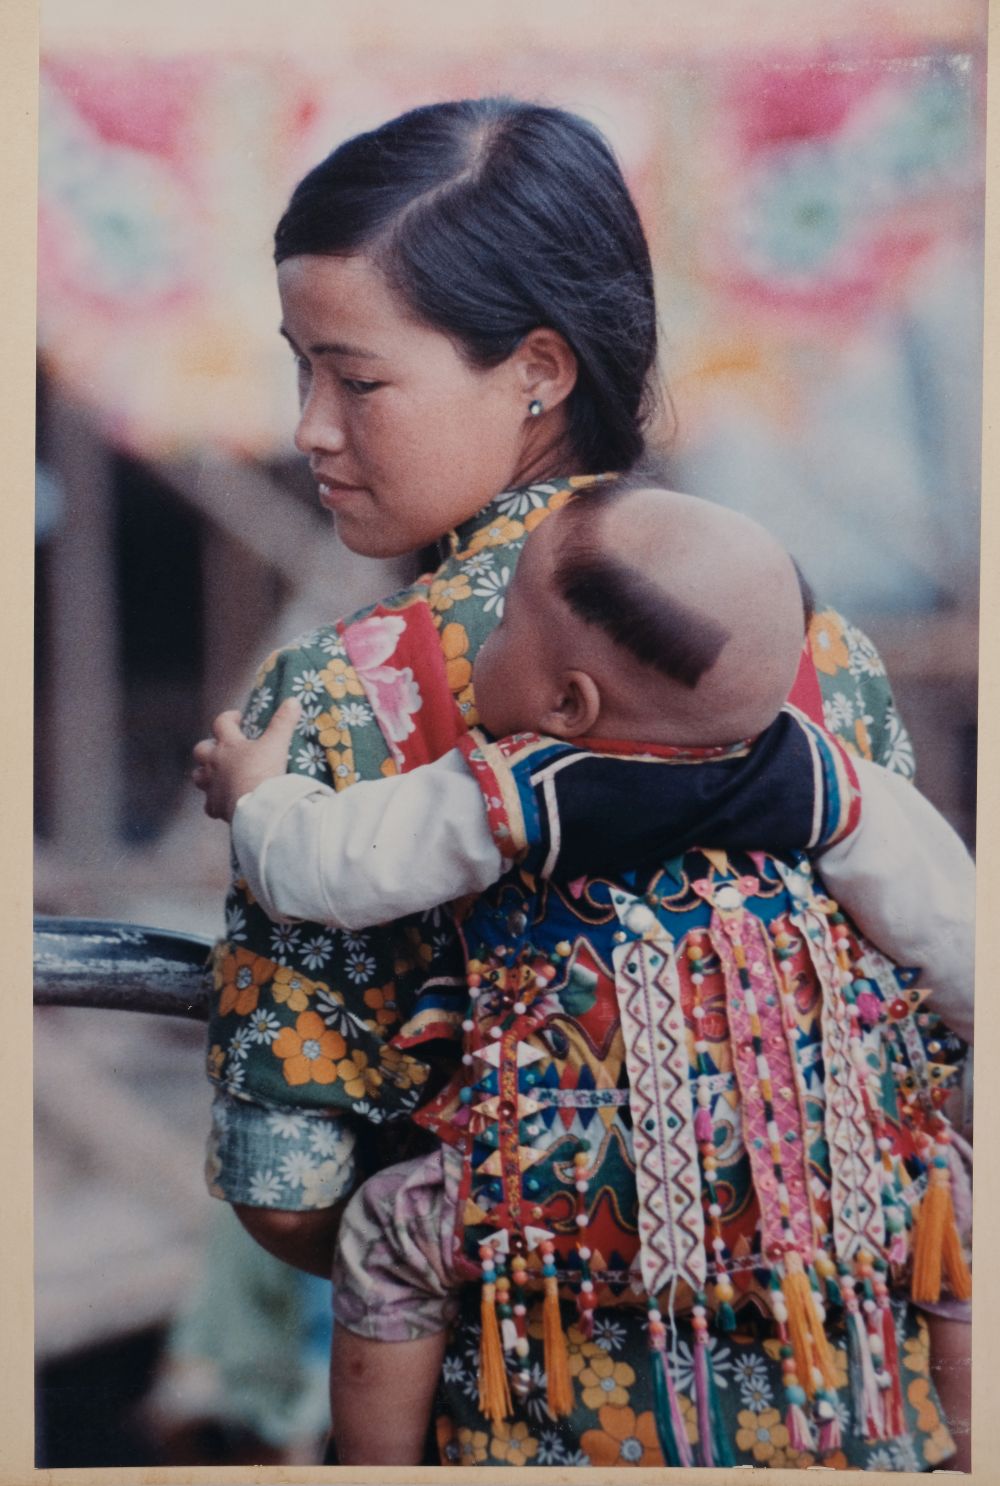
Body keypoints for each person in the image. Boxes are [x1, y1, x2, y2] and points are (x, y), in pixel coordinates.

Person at [197, 97, 968, 1470]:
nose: (307, 427)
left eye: (354, 378)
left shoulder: (340, 696)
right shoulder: (813, 654)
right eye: (298, 370)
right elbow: (936, 1037)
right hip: (853, 1409)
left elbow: (286, 1182)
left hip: (534, 1410)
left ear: (538, 368)